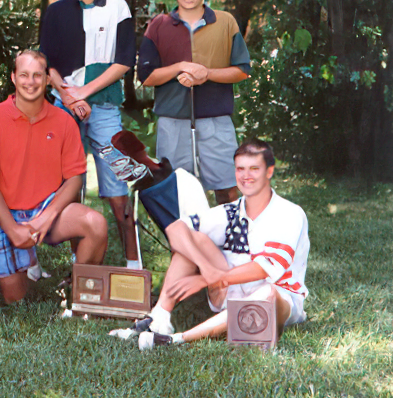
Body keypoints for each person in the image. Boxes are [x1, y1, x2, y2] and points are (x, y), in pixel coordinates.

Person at [119, 139, 309, 349]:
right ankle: (160, 318)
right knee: (194, 238)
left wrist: (208, 278)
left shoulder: (289, 213)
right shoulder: (228, 212)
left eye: (254, 169)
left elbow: (263, 269)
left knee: (266, 294)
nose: (246, 176)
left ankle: (177, 339)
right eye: (240, 169)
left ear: (269, 171)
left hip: (279, 299)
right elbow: (176, 229)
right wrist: (208, 269)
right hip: (228, 291)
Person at [0, 50, 109, 303]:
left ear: (47, 80)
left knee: (96, 223)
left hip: (45, 205)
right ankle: (28, 265)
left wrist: (45, 219)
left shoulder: (64, 121)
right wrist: (12, 228)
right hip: (3, 210)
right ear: (13, 78)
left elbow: (75, 177)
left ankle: (79, 294)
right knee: (18, 301)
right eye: (24, 74)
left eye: (37, 75)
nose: (30, 82)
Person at [39, 0, 139, 269]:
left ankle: (133, 266)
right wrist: (69, 95)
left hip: (105, 107)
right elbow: (47, 64)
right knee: (65, 183)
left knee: (117, 187)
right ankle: (73, 262)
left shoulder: (118, 8)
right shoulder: (55, 12)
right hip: (62, 105)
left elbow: (123, 62)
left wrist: (85, 93)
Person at [138, 0, 251, 204]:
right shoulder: (159, 25)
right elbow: (146, 77)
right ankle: (185, 242)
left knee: (228, 190)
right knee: (177, 193)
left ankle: (228, 241)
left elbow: (242, 70)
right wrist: (180, 67)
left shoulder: (225, 21)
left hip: (216, 120)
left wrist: (206, 74)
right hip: (172, 122)